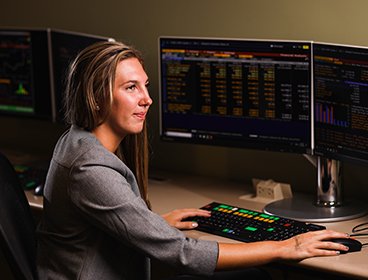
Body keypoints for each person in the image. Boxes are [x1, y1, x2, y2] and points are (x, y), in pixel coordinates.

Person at [36, 41, 351, 280]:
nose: (147, 98)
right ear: (96, 95)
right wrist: (286, 247)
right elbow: (181, 253)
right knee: (262, 274)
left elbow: (109, 224)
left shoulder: (76, 141)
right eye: (131, 88)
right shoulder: (89, 168)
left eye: (145, 85)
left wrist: (152, 225)